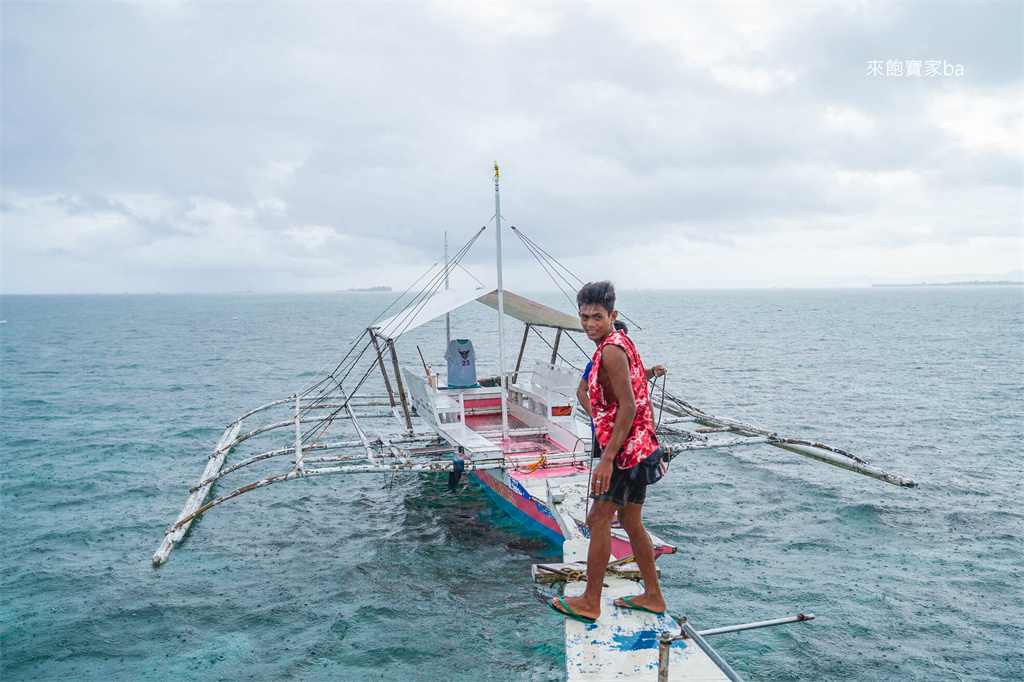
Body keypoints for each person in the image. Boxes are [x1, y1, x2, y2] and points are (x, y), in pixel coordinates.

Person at [550, 281, 667, 623]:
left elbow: (628, 407)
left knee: (597, 519)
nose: (589, 324)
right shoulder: (620, 343)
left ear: (613, 315)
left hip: (623, 451)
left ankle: (590, 601)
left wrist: (606, 458)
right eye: (584, 317)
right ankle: (653, 596)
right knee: (630, 521)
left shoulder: (612, 350)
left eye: (597, 317)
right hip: (641, 446)